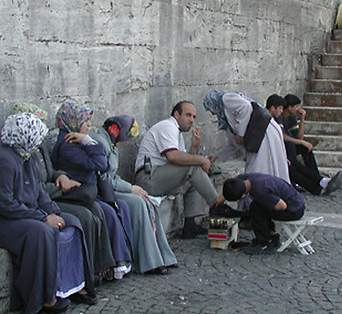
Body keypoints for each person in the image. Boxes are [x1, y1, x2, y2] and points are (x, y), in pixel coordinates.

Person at [0, 113, 97, 314]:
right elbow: (6, 205)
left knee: (71, 221)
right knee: (41, 232)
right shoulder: (2, 161)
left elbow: (39, 191)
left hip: (20, 213)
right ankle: (43, 298)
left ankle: (74, 284)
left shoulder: (26, 157)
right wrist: (43, 218)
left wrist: (53, 212)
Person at [12, 102, 115, 283]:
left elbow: (51, 171)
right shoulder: (65, 145)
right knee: (84, 216)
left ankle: (99, 268)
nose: (89, 125)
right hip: (49, 198)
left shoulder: (39, 147)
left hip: (54, 194)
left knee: (98, 210)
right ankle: (86, 274)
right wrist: (60, 186)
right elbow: (31, 188)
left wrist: (62, 176)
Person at [51, 100, 134, 280]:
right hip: (78, 196)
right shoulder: (68, 145)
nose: (89, 125)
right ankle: (109, 264)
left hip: (89, 193)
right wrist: (88, 141)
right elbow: (101, 164)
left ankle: (122, 258)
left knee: (120, 208)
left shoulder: (74, 141)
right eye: (85, 121)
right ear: (73, 122)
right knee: (107, 213)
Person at [89, 115, 178, 274]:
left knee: (145, 201)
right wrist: (130, 188)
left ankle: (160, 256)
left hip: (110, 187)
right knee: (137, 203)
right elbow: (104, 178)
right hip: (103, 191)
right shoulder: (102, 143)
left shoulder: (110, 143)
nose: (128, 141)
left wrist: (131, 188)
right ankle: (149, 261)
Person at [134, 101, 224, 239]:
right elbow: (173, 157)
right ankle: (217, 204)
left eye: (194, 117)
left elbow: (184, 163)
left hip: (160, 177)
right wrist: (201, 160)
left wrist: (194, 148)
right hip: (148, 178)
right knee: (195, 166)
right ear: (176, 114)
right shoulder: (167, 126)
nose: (191, 120)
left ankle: (190, 225)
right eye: (188, 115)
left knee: (196, 177)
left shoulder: (177, 133)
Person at [203, 90, 290, 183]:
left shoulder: (226, 99)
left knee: (260, 170)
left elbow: (245, 107)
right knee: (261, 171)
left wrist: (240, 133)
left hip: (264, 132)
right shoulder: (227, 118)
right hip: (258, 137)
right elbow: (234, 143)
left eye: (210, 109)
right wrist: (216, 156)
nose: (212, 113)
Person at [266, 94, 342, 195]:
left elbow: (299, 136)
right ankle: (320, 184)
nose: (299, 109)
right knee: (294, 166)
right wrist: (300, 143)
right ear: (289, 107)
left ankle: (319, 181)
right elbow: (282, 136)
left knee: (304, 149)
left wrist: (302, 119)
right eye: (296, 106)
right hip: (281, 150)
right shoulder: (276, 117)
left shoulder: (291, 117)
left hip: (285, 149)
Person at [222, 173, 305, 255]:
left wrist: (265, 202)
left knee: (256, 208)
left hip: (294, 209)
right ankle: (271, 235)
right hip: (296, 201)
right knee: (258, 205)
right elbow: (236, 178)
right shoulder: (247, 179)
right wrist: (223, 196)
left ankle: (265, 241)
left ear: (243, 196)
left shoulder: (260, 191)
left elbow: (282, 206)